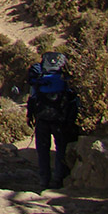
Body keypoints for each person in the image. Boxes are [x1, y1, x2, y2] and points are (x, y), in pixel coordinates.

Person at [27, 52, 79, 190]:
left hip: (42, 118)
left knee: (43, 150)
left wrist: (29, 116)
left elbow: (32, 98)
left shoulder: (39, 78)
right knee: (60, 148)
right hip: (60, 119)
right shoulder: (64, 79)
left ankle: (44, 180)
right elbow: (72, 100)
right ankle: (58, 178)